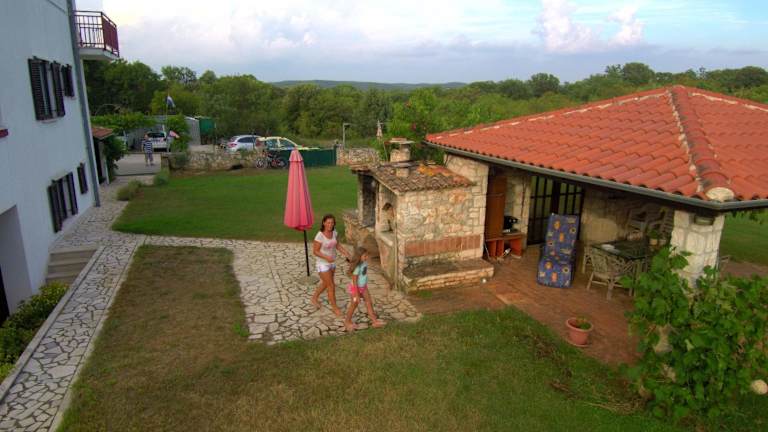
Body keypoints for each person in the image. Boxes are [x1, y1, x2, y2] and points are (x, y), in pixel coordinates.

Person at [311, 214, 350, 316]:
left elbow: (337, 245)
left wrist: (346, 253)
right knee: (331, 285)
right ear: (324, 223)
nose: (330, 224)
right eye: (328, 222)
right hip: (322, 263)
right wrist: (326, 257)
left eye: (332, 222)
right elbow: (315, 251)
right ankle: (335, 308)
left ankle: (314, 298)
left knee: (326, 283)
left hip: (332, 262)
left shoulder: (334, 232)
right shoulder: (319, 235)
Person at [344, 247, 385, 331]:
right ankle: (347, 322)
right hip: (355, 289)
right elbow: (355, 282)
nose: (367, 257)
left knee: (369, 302)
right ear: (359, 257)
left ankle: (375, 322)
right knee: (353, 305)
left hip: (363, 287)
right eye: (365, 256)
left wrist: (364, 286)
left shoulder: (364, 263)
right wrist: (357, 295)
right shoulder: (357, 267)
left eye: (367, 255)